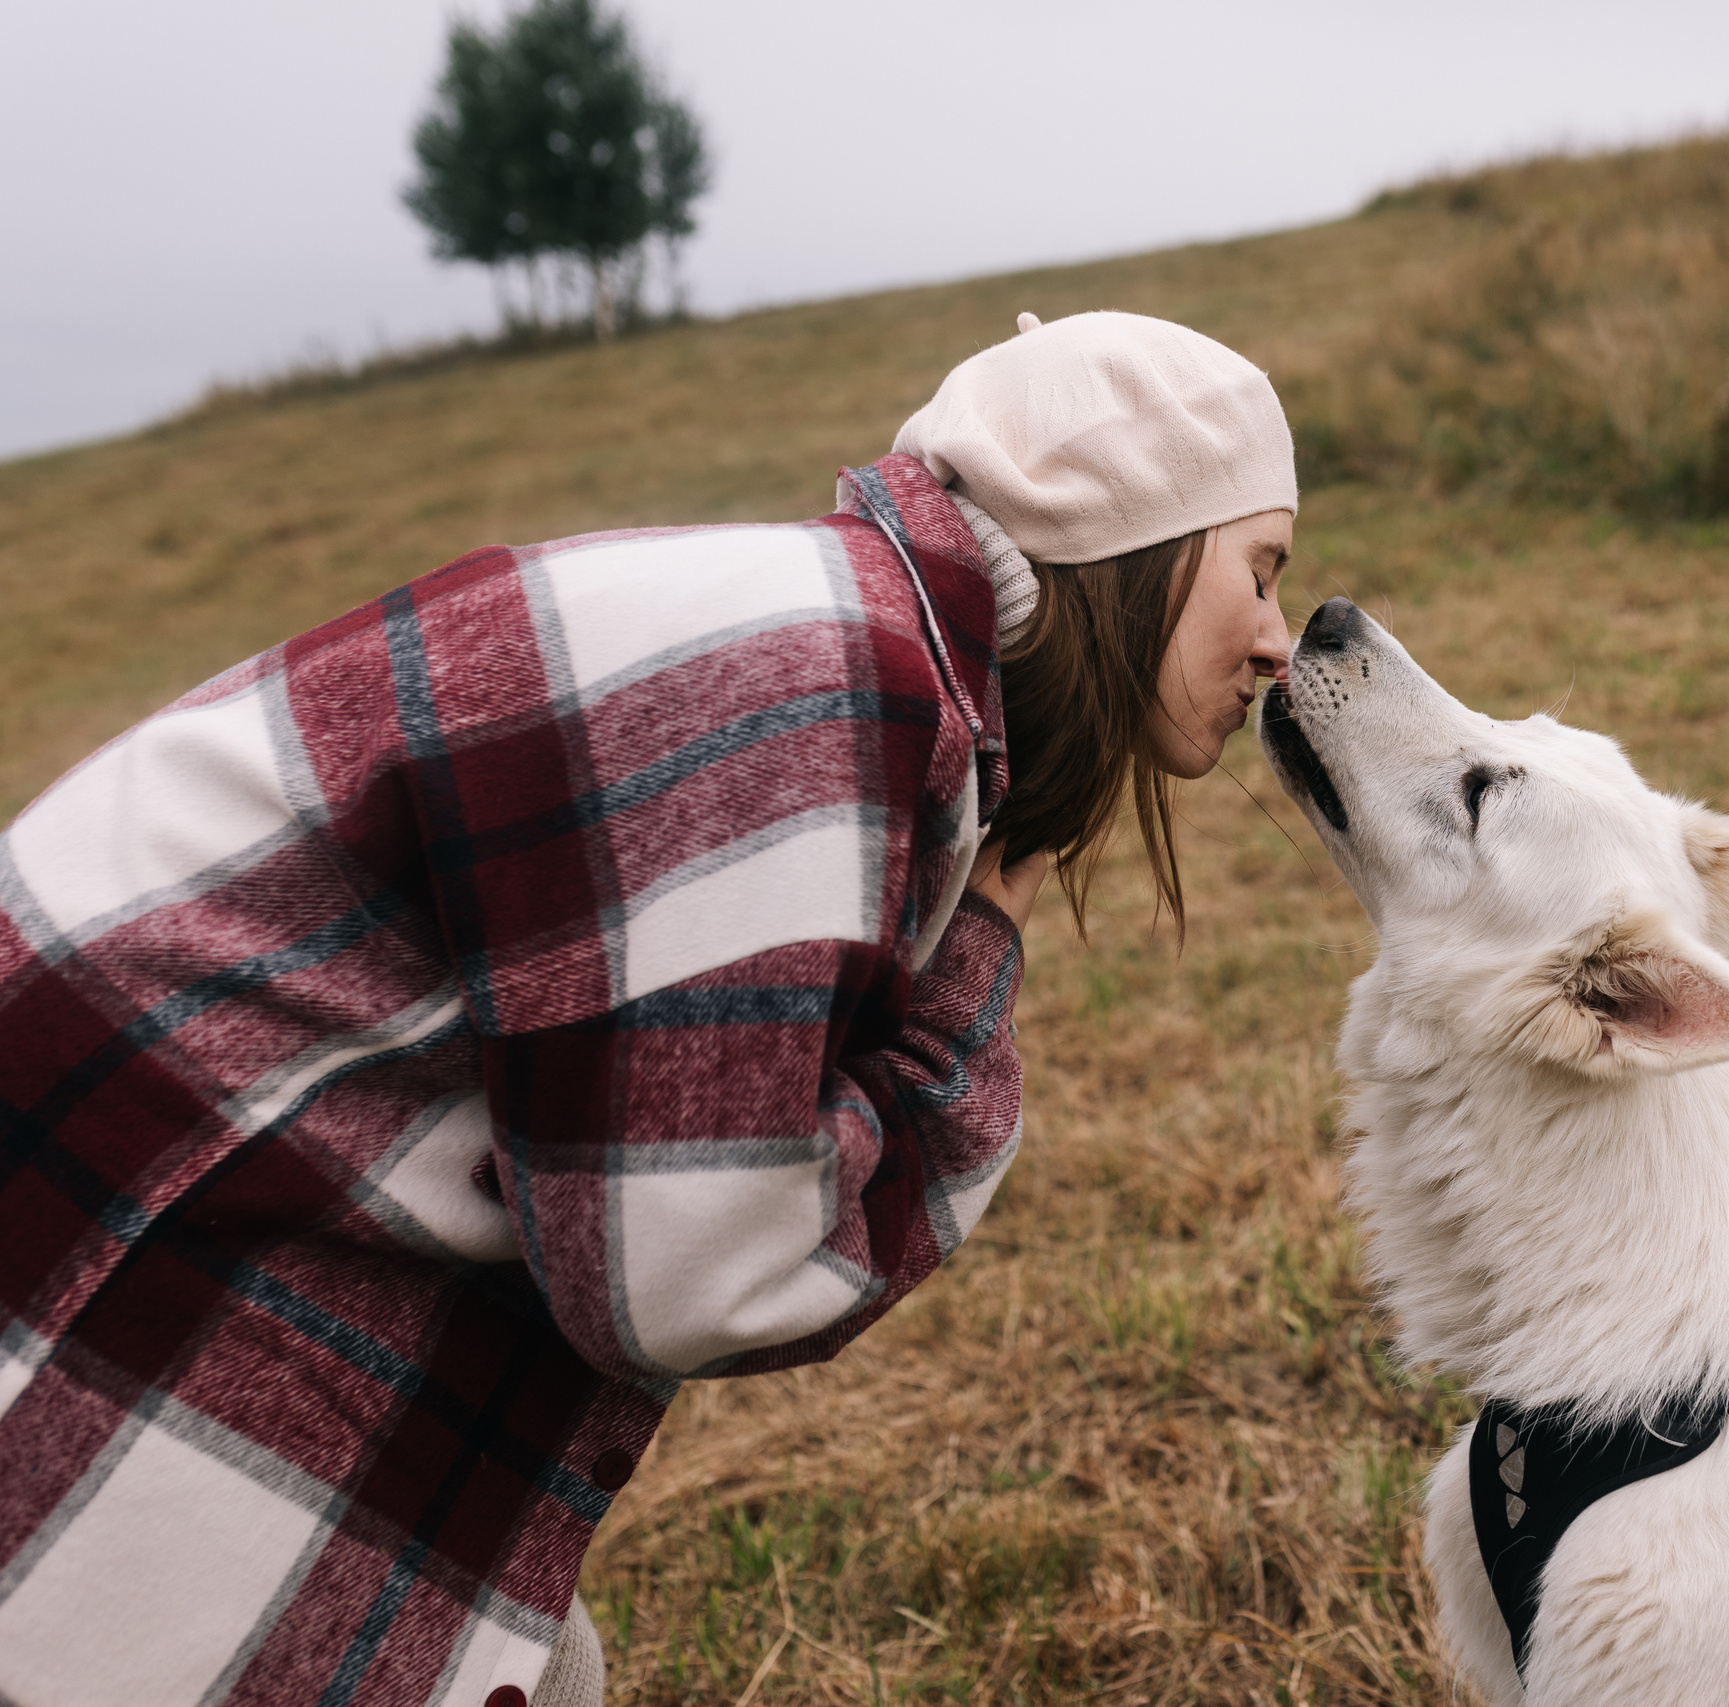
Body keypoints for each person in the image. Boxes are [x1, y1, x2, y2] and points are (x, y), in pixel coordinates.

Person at [0, 311, 1296, 1707]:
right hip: (129, 1168)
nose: (1279, 639)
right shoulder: (841, 676)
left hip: (154, 1120)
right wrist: (970, 979)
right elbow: (692, 1270)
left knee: (529, 1668)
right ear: (1132, 540)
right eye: (1262, 570)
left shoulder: (843, 634)